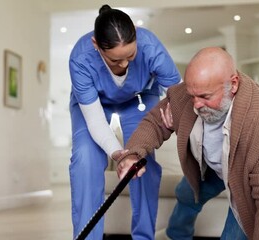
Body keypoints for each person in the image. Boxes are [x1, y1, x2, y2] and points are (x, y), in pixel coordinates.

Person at [117, 47, 259, 239]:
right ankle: (176, 235)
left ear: (232, 85)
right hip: (212, 167)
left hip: (245, 179)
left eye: (205, 97)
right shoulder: (189, 94)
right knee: (186, 193)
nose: (196, 104)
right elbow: (154, 123)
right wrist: (133, 153)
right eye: (192, 95)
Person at [68, 4, 181, 240]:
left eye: (131, 56)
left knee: (142, 163)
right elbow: (96, 122)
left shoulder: (151, 47)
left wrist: (178, 118)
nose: (125, 64)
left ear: (137, 37)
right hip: (93, 104)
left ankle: (143, 237)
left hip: (140, 98)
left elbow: (179, 96)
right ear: (96, 45)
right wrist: (119, 154)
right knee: (85, 161)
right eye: (115, 60)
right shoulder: (80, 59)